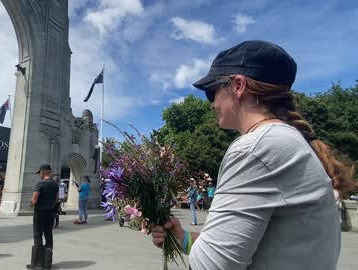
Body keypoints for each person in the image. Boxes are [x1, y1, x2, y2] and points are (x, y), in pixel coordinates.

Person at [151, 40, 357, 269]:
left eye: (212, 92)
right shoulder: (287, 143)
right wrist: (182, 238)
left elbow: (214, 266)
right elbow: (254, 250)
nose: (211, 104)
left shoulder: (256, 148)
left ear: (238, 85)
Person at [27, 164, 59, 270]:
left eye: (40, 173)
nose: (39, 175)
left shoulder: (39, 183)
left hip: (39, 212)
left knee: (38, 235)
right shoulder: (55, 184)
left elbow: (34, 200)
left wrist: (31, 203)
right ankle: (47, 261)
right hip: (50, 212)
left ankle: (37, 263)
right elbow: (57, 200)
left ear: (43, 172)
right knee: (48, 234)